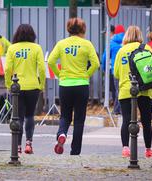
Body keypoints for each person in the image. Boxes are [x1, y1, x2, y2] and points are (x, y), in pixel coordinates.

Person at [48, 17, 99, 155]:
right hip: (81, 84)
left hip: (65, 84)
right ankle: (75, 151)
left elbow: (51, 61)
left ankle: (62, 134)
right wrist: (86, 75)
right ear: (83, 29)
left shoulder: (61, 44)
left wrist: (60, 75)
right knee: (79, 119)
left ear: (68, 29)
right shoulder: (87, 44)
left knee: (65, 115)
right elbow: (96, 64)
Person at [114, 26, 152, 158]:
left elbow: (116, 73)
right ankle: (148, 150)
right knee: (146, 121)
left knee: (126, 119)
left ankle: (125, 148)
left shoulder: (121, 51)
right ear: (140, 35)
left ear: (126, 36)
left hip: (126, 90)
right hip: (144, 89)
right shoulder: (146, 48)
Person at [4, 24, 46, 154]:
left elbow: (7, 69)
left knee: (18, 117)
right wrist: (41, 84)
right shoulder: (37, 48)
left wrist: (9, 84)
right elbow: (42, 68)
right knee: (29, 116)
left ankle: (17, 147)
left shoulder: (12, 48)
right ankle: (29, 143)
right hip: (33, 86)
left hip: (17, 88)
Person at [102, 25, 125, 115]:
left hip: (114, 70)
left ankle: (117, 110)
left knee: (116, 91)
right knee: (122, 90)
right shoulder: (127, 41)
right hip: (125, 70)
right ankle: (119, 109)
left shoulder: (111, 42)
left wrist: (104, 69)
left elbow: (105, 57)